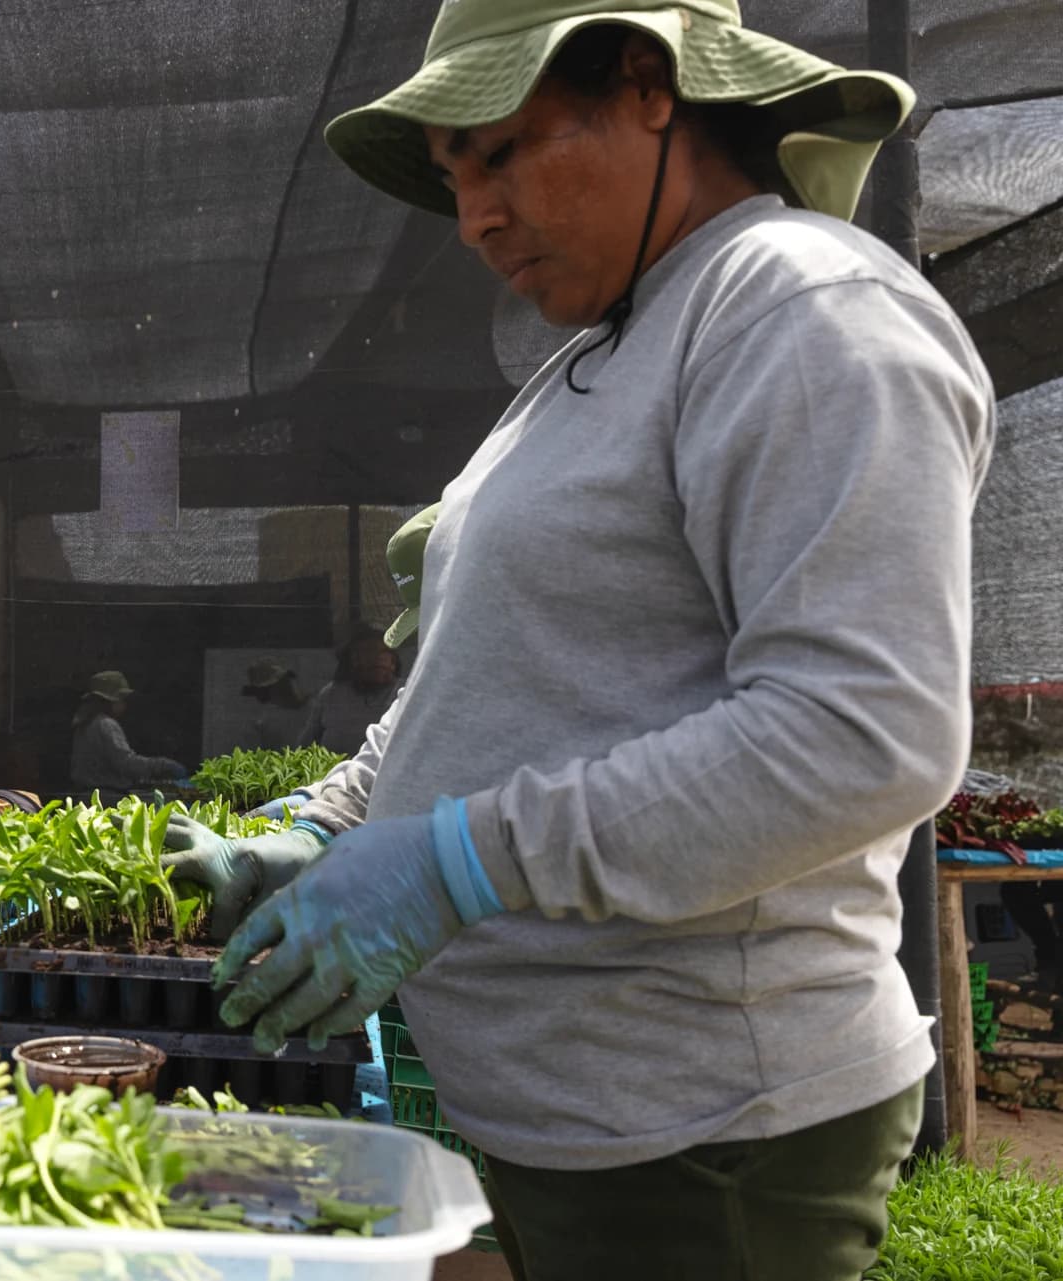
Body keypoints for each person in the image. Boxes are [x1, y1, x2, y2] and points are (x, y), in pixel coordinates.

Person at [168, 5, 995, 1279]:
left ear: (650, 85)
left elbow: (862, 736)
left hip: (708, 1119)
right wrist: (331, 822)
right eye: (454, 181)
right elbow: (484, 675)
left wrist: (452, 865)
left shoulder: (802, 311)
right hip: (586, 1112)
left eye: (501, 151)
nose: (476, 219)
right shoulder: (600, 354)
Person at [246, 504, 440, 822]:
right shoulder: (335, 695)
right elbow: (375, 759)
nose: (377, 662)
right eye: (365, 655)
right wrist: (311, 799)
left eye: (383, 655)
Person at [68, 670, 187, 803]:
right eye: (122, 699)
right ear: (110, 700)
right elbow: (127, 763)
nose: (124, 704)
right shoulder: (106, 724)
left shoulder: (83, 723)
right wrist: (164, 765)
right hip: (107, 799)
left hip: (87, 797)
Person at [298, 627, 400, 755]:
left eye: (385, 653)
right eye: (369, 652)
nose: (380, 658)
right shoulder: (332, 694)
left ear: (393, 662)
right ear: (353, 659)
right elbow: (305, 744)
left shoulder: (403, 692)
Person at [234, 659, 308, 751]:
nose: (290, 686)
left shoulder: (315, 707)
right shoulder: (260, 722)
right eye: (283, 683)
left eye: (288, 680)